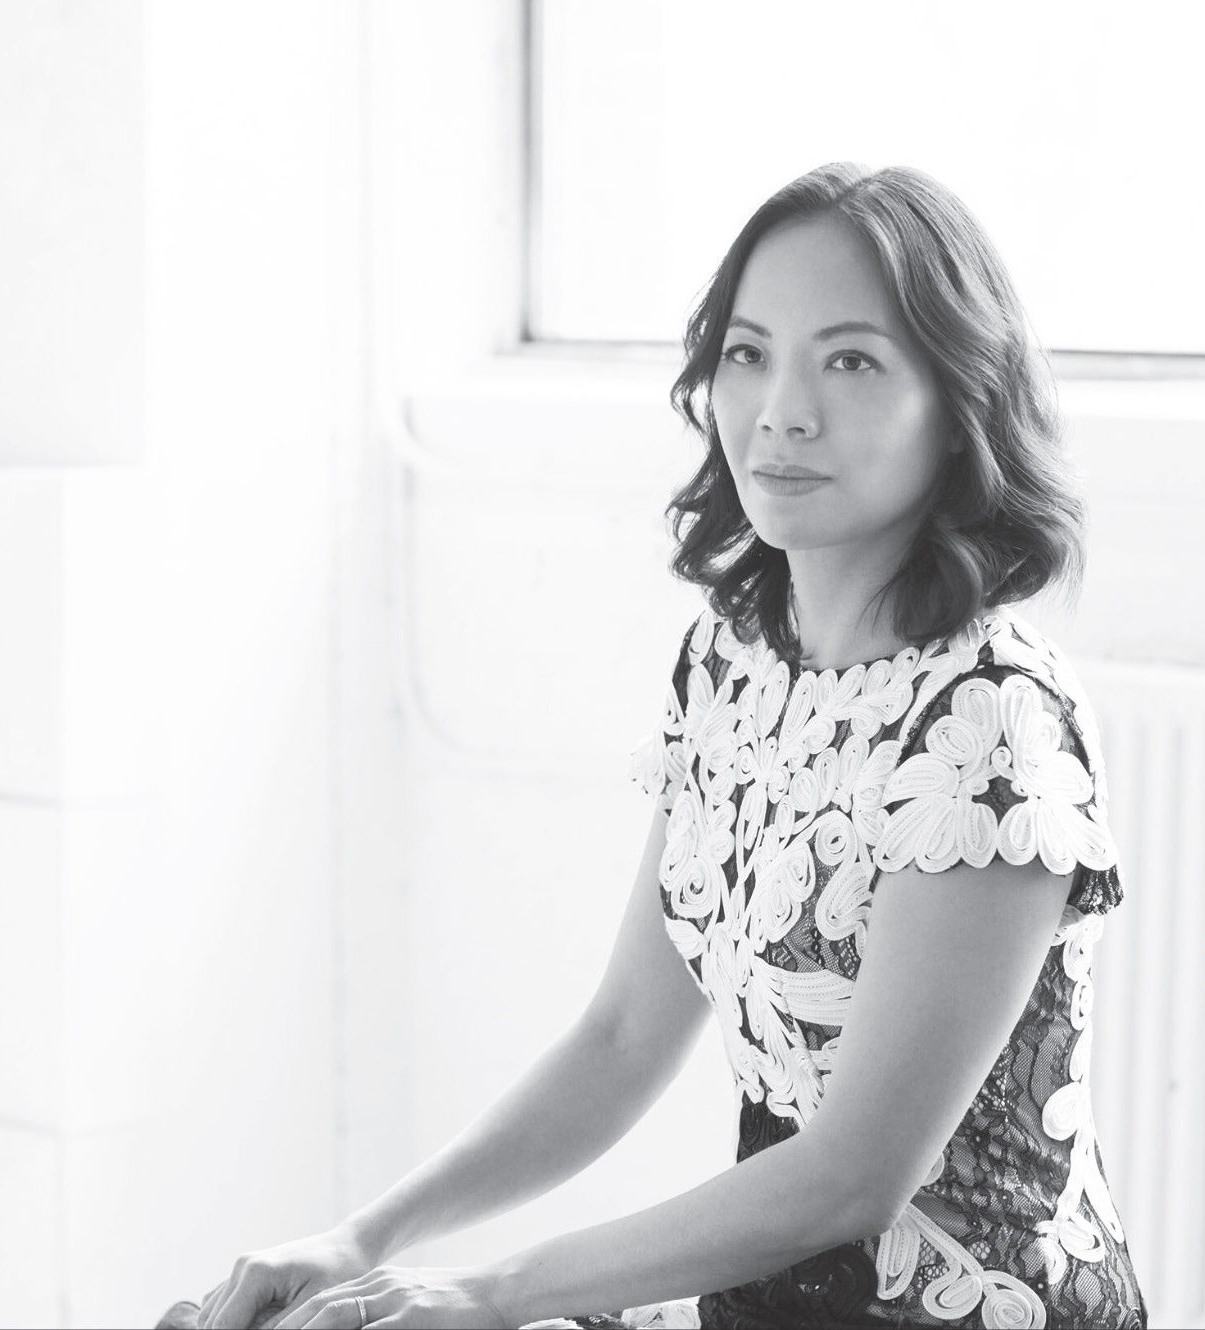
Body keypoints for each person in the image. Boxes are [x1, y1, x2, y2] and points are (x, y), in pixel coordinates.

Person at [191, 163, 1147, 1329]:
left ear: (958, 405)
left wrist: (488, 1291)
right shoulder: (730, 660)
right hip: (769, 1302)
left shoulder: (994, 720)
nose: (781, 410)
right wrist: (362, 1239)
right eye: (749, 352)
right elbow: (623, 1035)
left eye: (850, 361)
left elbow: (854, 1175)